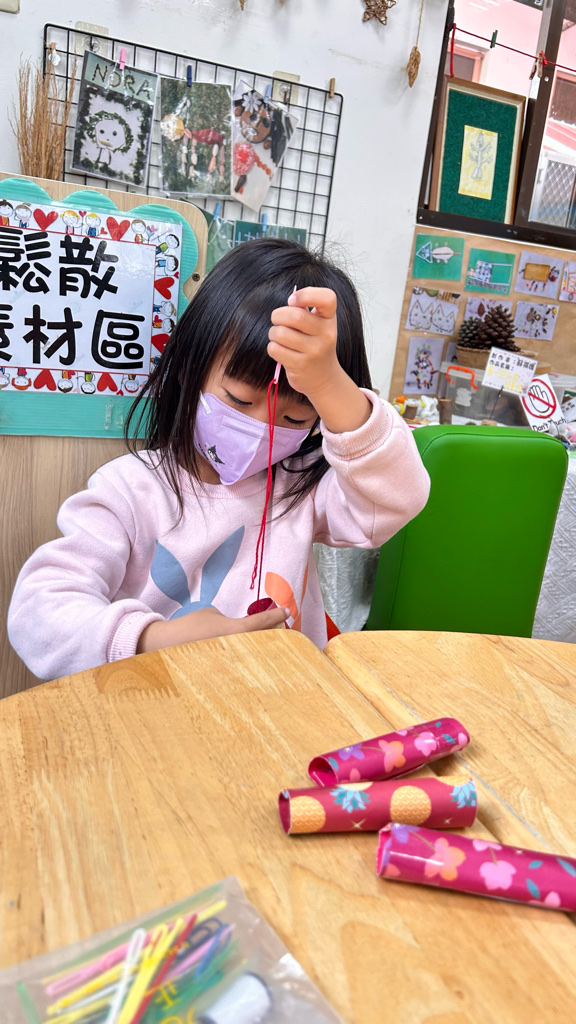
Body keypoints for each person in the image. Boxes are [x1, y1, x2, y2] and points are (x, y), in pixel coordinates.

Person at [8, 239, 430, 681]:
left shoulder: (303, 490)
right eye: (238, 400)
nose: (261, 430)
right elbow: (38, 612)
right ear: (189, 366)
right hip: (161, 707)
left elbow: (398, 499)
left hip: (280, 705)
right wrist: (149, 639)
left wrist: (332, 388)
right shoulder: (131, 492)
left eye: (295, 418)